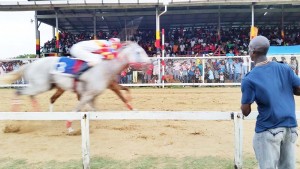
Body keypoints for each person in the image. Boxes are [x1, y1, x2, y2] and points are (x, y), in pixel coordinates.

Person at [241, 35, 300, 169]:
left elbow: (246, 111)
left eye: (249, 49)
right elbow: (299, 89)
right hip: (290, 128)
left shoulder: (249, 79)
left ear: (253, 52)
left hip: (268, 128)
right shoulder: (284, 68)